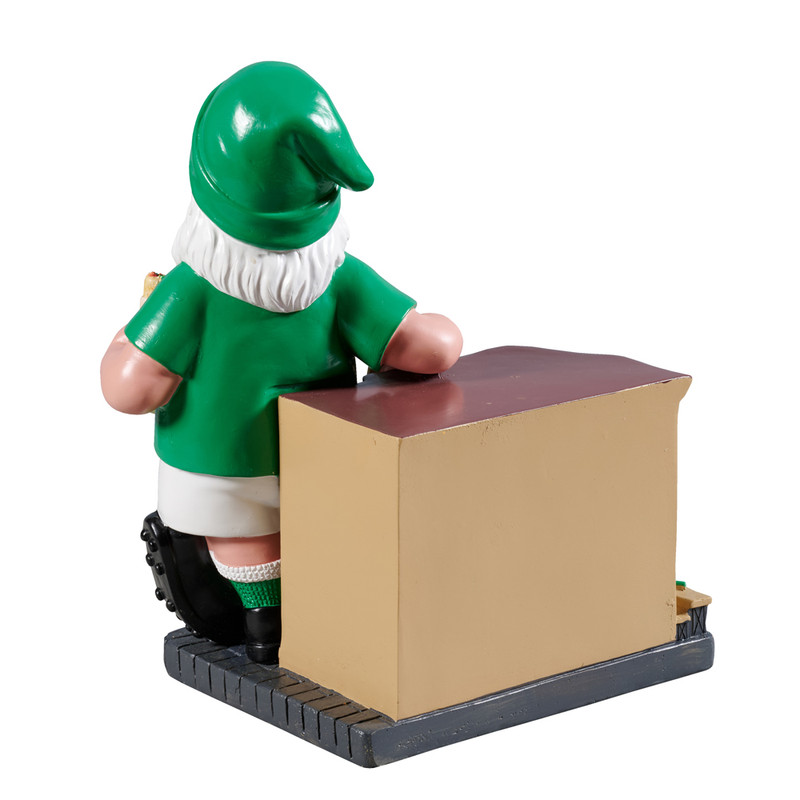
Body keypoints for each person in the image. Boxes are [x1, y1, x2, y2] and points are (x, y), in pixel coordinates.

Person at [101, 62, 461, 663]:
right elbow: (428, 346)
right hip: (326, 458)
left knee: (245, 537)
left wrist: (126, 334)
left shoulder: (189, 291)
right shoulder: (337, 278)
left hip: (224, 465)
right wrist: (440, 332)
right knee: (327, 530)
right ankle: (306, 619)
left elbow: (130, 388)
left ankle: (266, 626)